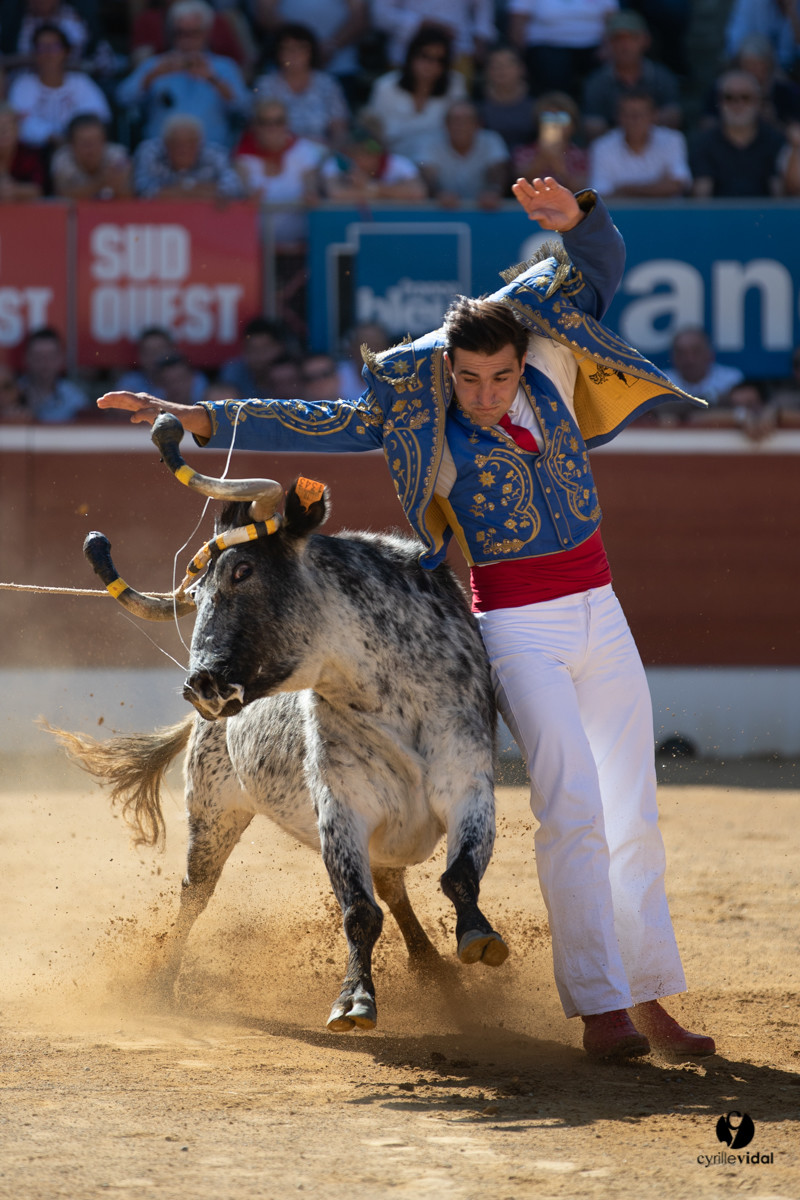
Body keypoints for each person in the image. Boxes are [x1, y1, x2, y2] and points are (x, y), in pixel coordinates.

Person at [97, 175, 716, 1063]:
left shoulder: (551, 362)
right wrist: (200, 415)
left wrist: (581, 218)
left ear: (523, 359)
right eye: (468, 379)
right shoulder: (423, 421)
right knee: (573, 807)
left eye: (500, 376)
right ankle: (600, 1006)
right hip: (518, 626)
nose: (485, 393)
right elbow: (326, 421)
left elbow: (602, 264)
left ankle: (650, 995)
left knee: (634, 812)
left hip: (601, 611)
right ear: (447, 371)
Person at [116, 0, 252, 150]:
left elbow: (245, 108)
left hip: (210, 151)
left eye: (193, 33)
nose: (186, 40)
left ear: (206, 33)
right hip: (161, 152)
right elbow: (122, 98)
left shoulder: (224, 66)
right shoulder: (156, 64)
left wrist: (214, 80)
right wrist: (152, 76)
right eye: (180, 33)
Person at [364, 26, 468, 159]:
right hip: (394, 162)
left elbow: (463, 130)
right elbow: (372, 134)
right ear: (412, 55)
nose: (431, 64)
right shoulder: (385, 87)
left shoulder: (455, 85)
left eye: (439, 60)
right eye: (425, 56)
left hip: (440, 163)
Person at [581, 9, 683, 143]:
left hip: (656, 147)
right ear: (608, 43)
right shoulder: (596, 82)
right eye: (618, 39)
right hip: (612, 151)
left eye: (632, 38)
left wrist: (632, 126)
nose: (625, 46)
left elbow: (673, 116)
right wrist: (635, 127)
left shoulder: (662, 76)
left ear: (646, 40)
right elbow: (593, 127)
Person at [689, 69, 794, 197]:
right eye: (729, 97)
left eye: (745, 97)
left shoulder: (775, 140)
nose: (737, 104)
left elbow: (779, 194)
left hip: (763, 210)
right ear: (719, 101)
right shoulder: (703, 143)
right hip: (719, 210)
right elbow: (702, 195)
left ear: (758, 101)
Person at [234, 98, 326, 244]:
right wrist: (249, 198)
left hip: (299, 244)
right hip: (255, 247)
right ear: (255, 126)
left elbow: (310, 182)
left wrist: (310, 193)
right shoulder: (243, 157)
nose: (272, 128)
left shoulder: (303, 150)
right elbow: (246, 192)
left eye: (279, 121)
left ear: (287, 124)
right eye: (265, 122)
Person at [8, 22, 110, 149]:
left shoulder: (81, 82)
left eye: (54, 47)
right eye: (42, 47)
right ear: (34, 53)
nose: (48, 53)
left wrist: (73, 137)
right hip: (34, 152)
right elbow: (18, 122)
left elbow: (99, 116)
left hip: (77, 149)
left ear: (66, 51)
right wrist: (50, 136)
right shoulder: (23, 84)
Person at [253, 22, 350, 147]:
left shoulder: (327, 83)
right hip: (277, 152)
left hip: (321, 152)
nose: (294, 55)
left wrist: (330, 153)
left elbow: (339, 130)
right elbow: (260, 129)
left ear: (310, 52)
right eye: (288, 49)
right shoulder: (265, 84)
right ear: (278, 53)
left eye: (301, 48)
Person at [587, 89, 691, 198]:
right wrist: (658, 187)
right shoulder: (601, 146)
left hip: (668, 210)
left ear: (654, 116)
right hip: (621, 210)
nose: (635, 120)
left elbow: (678, 183)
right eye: (628, 114)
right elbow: (602, 195)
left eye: (641, 114)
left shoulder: (673, 140)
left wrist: (625, 189)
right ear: (618, 117)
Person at [507, 0, 619, 99]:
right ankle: (556, 114)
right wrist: (521, 57)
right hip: (546, 47)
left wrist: (607, 47)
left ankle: (594, 114)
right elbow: (518, 23)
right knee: (553, 77)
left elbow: (612, 18)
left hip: (594, 48)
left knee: (600, 78)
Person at [415, 99, 510, 208]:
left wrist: (494, 191)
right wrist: (438, 194)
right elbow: (427, 174)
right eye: (455, 121)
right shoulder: (430, 143)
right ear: (446, 124)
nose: (461, 126)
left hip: (485, 210)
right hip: (443, 210)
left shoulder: (492, 140)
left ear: (478, 124)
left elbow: (498, 171)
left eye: (467, 121)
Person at [132, 112, 245, 201]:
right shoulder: (150, 151)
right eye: (177, 143)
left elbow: (233, 189)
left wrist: (177, 190)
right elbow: (142, 191)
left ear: (200, 144)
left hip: (206, 218)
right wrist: (203, 190)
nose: (184, 149)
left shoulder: (215, 153)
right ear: (166, 144)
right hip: (160, 218)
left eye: (191, 143)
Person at [319, 122, 426, 202]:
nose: (362, 158)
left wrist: (370, 186)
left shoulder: (398, 163)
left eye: (368, 153)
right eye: (356, 153)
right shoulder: (336, 163)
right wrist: (389, 193)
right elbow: (336, 193)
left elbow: (418, 192)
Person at [513, 91, 588, 193]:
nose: (554, 124)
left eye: (562, 118)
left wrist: (558, 164)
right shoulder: (523, 152)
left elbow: (582, 189)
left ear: (573, 125)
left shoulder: (580, 155)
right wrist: (542, 158)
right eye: (547, 117)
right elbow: (520, 186)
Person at [115, 326, 208, 403]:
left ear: (172, 350)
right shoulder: (131, 381)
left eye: (160, 350)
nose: (155, 356)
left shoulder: (194, 378)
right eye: (149, 352)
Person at [51, 112, 132, 199]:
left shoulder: (118, 156)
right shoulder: (62, 159)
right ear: (72, 144)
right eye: (85, 143)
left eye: (96, 142)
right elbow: (61, 196)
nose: (91, 150)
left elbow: (130, 195)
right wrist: (102, 182)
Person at [475, 43, 536, 156]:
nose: (502, 70)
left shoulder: (538, 98)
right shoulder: (475, 101)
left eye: (508, 64)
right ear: (486, 70)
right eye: (495, 65)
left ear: (522, 68)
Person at [19, 326, 88, 422]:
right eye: (38, 356)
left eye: (51, 356)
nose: (45, 362)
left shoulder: (74, 398)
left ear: (61, 358)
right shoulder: (11, 392)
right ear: (27, 358)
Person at [663, 326, 744, 405]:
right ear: (673, 357)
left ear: (709, 354)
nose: (689, 359)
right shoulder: (661, 382)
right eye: (681, 353)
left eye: (696, 352)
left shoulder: (731, 380)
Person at [218, 315, 292, 397]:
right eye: (252, 350)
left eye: (264, 350)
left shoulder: (292, 372)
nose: (259, 356)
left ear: (280, 347)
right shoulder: (233, 372)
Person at [0, 102, 44, 202]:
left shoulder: (29, 155)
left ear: (18, 129)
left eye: (6, 127)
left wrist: (15, 190)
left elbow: (38, 190)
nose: (2, 132)